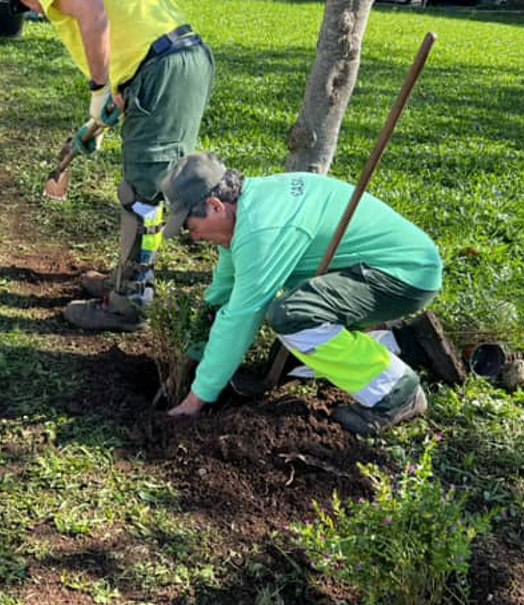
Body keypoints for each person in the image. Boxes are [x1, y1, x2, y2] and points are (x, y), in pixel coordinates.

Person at [0, 0, 215, 333]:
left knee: (143, 194)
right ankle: (127, 282)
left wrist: (99, 89)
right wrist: (104, 112)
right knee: (150, 187)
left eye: (21, 1)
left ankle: (129, 302)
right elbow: (127, 29)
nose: (33, 11)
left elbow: (94, 14)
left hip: (163, 69)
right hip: (175, 60)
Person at [160, 153, 443, 435]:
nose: (195, 238)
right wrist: (193, 352)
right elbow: (222, 290)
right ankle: (401, 342)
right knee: (299, 352)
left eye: (193, 228)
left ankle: (396, 391)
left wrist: (196, 399)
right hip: (379, 269)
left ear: (215, 205)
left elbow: (240, 317)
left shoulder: (262, 229)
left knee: (294, 318)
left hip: (404, 275)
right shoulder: (252, 204)